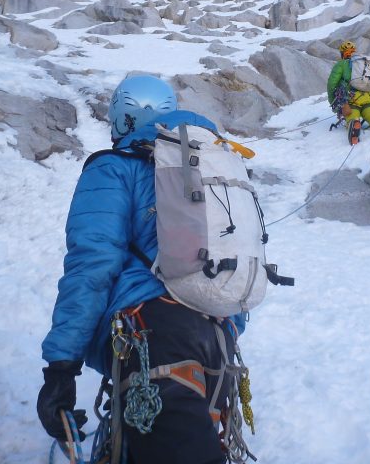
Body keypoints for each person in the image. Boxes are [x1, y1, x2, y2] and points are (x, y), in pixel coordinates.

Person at [38, 74, 245, 464]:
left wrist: (61, 367)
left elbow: (92, 266)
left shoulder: (114, 168)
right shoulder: (212, 161)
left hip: (150, 334)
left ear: (120, 119)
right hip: (219, 332)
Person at [326, 40, 370, 145]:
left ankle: (354, 124)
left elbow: (331, 84)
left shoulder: (341, 64)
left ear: (342, 53)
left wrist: (332, 101)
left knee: (352, 115)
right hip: (368, 97)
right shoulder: (364, 63)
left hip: (350, 99)